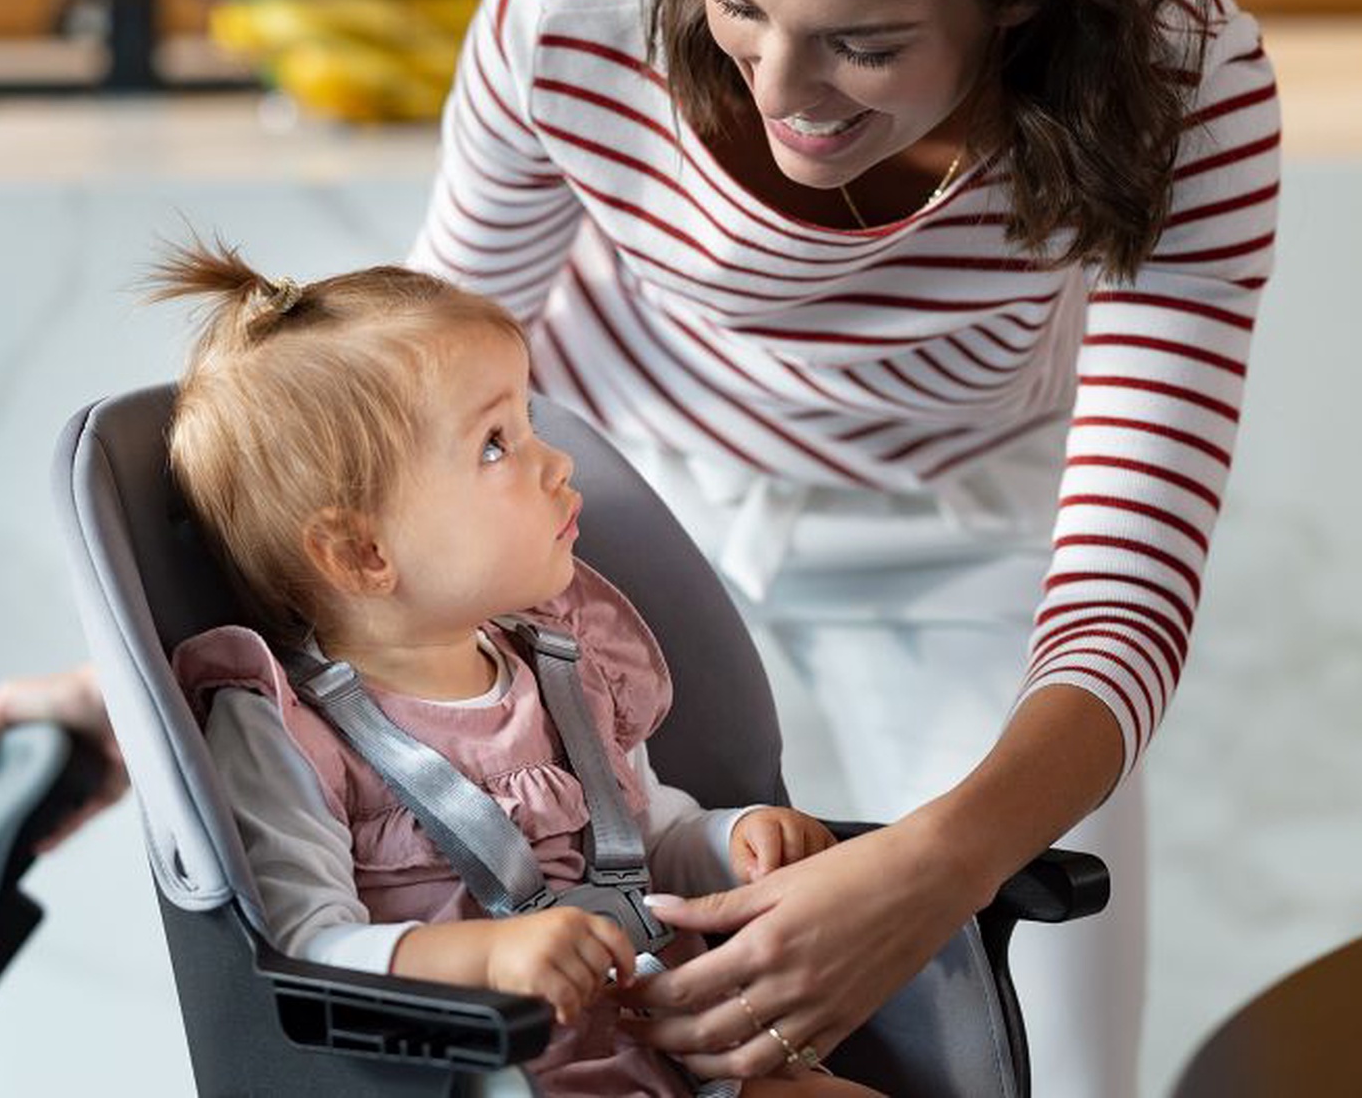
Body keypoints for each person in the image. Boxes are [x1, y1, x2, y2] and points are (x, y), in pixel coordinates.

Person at [0, 0, 1279, 1093]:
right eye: (737, 3)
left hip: (952, 514)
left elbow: (1126, 583)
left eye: (866, 44)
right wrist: (141, 691)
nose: (778, 86)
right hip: (609, 497)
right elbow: (401, 402)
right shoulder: (575, 4)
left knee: (1050, 1049)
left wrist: (942, 860)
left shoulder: (1184, 79)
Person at [135, 238, 879, 1097]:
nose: (555, 462)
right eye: (495, 444)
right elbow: (308, 950)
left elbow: (649, 838)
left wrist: (733, 840)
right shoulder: (287, 730)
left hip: (679, 1047)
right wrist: (489, 957)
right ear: (362, 552)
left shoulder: (563, 664)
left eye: (526, 424)